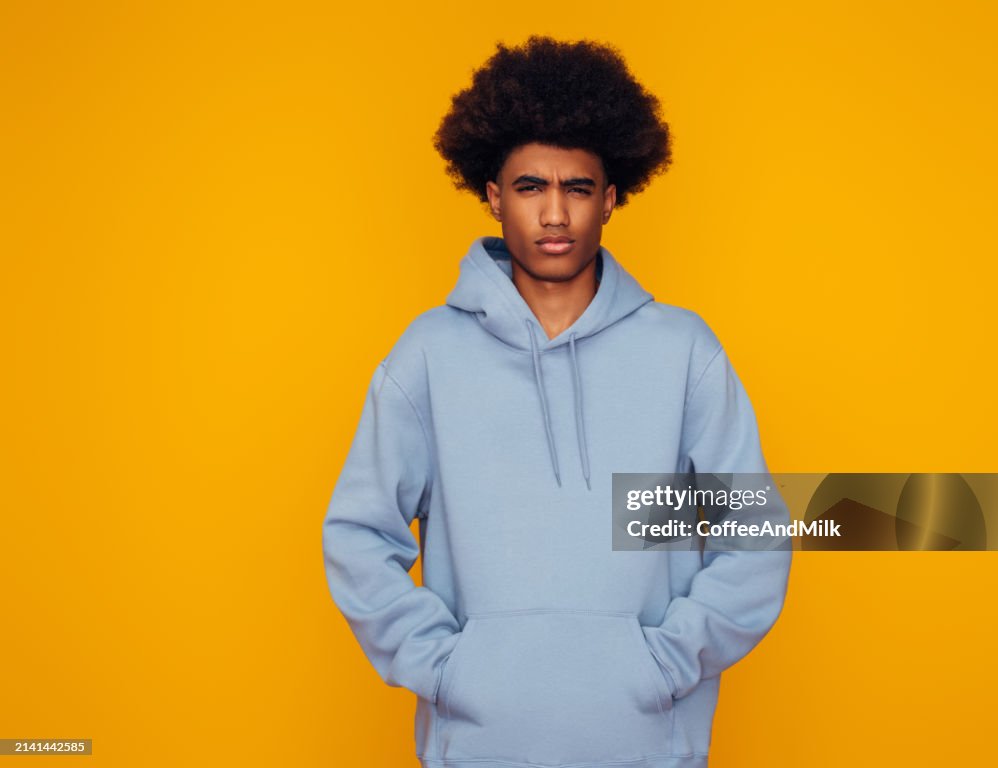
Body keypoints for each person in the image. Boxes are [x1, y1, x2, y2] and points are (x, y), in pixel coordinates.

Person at [322, 36, 791, 768]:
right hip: (475, 749)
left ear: (610, 198)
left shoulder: (683, 353)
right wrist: (444, 667)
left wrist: (664, 663)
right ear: (493, 195)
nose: (554, 215)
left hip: (647, 748)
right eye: (530, 187)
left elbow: (754, 536)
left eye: (576, 188)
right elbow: (359, 535)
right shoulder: (427, 356)